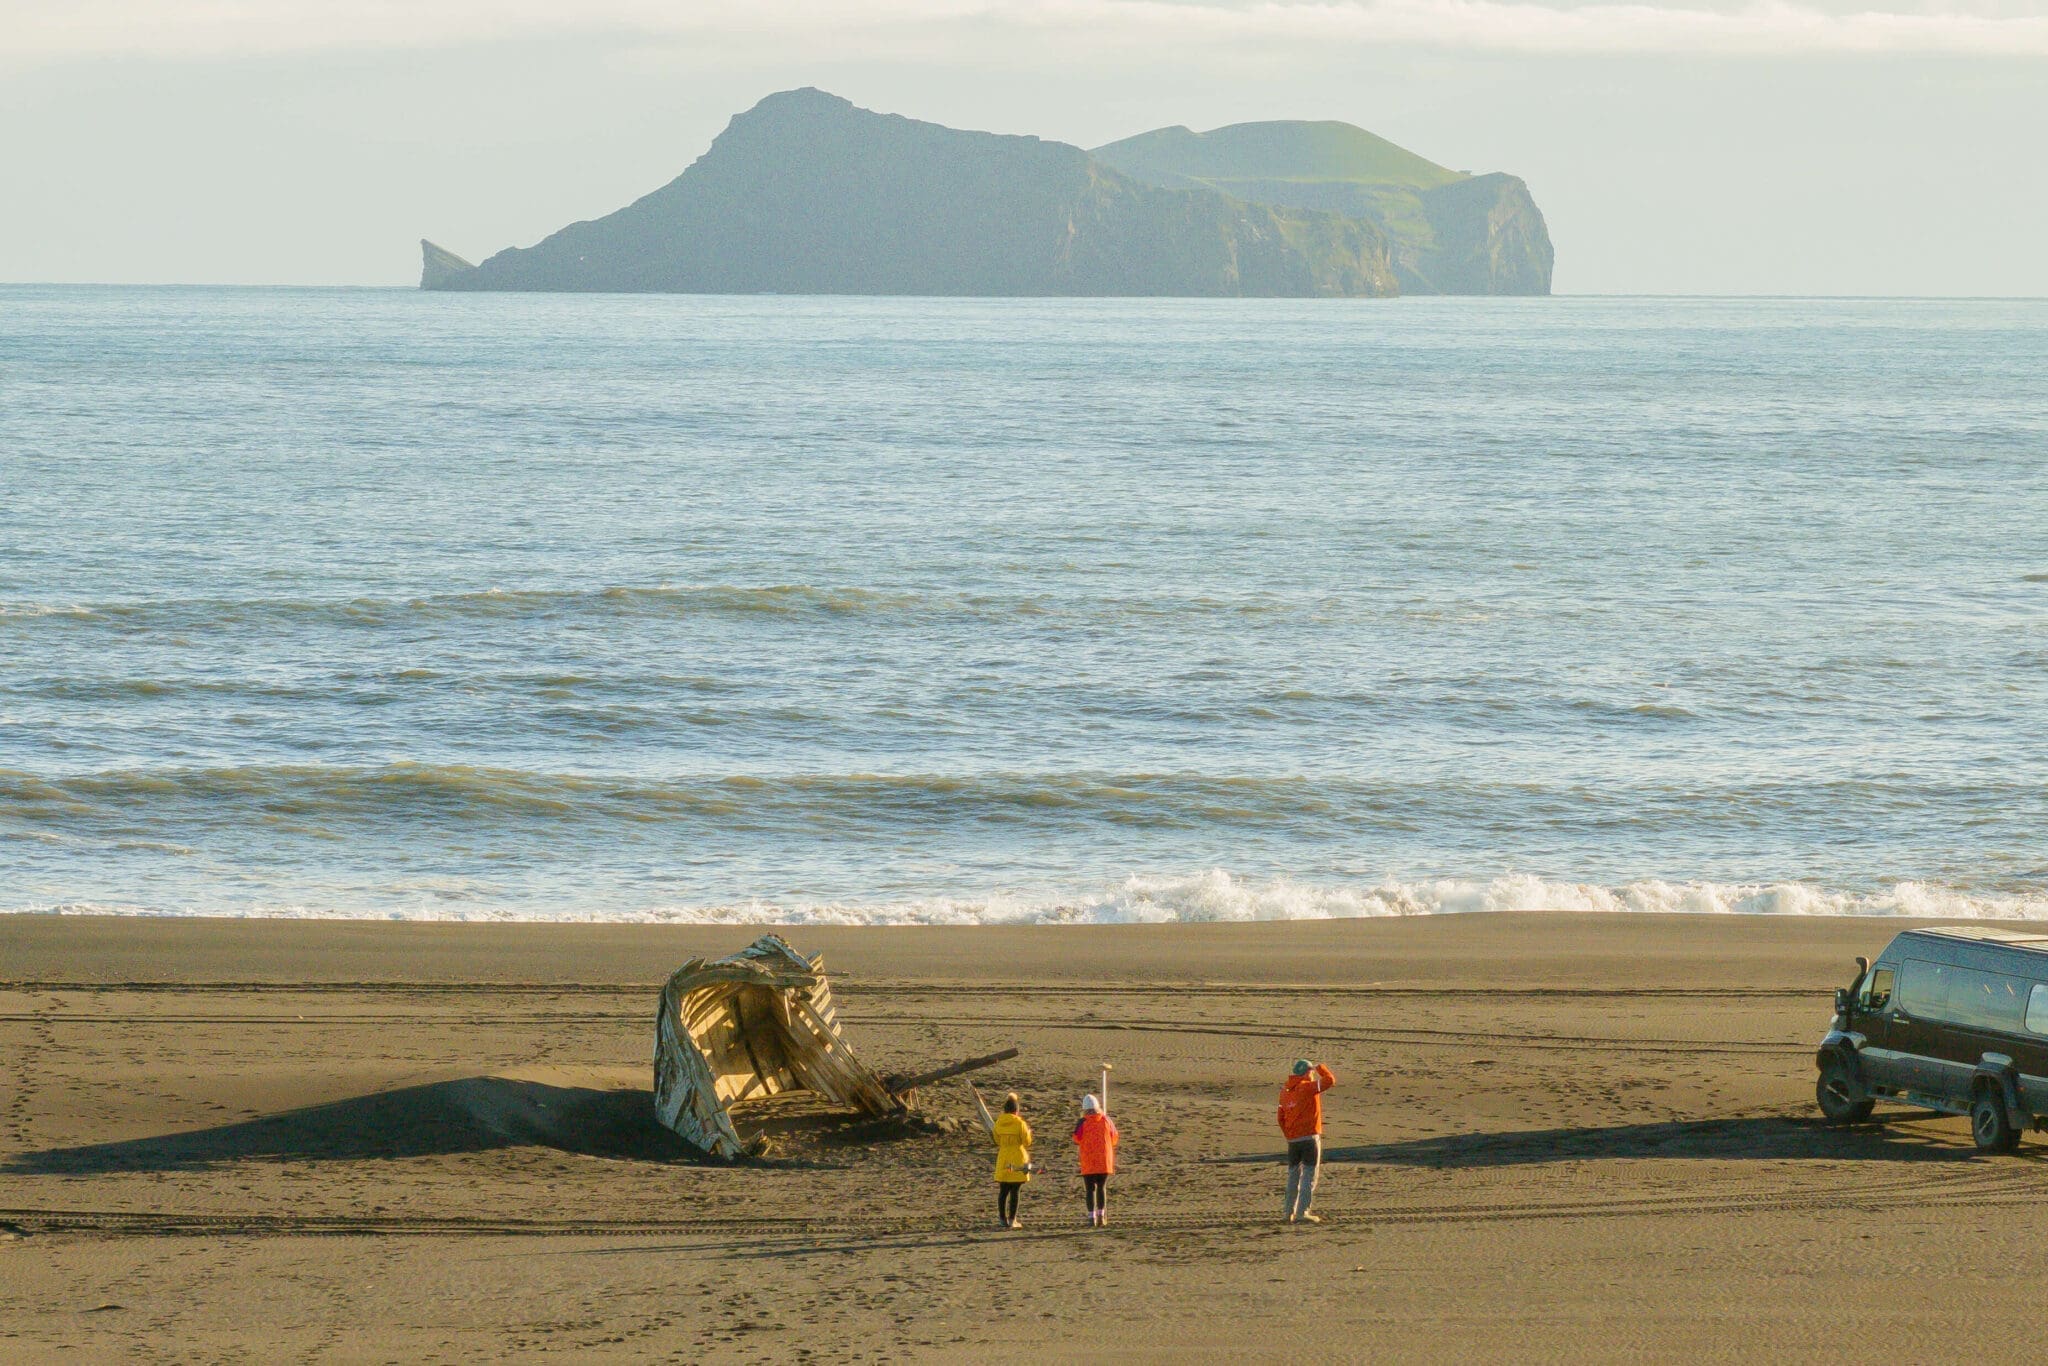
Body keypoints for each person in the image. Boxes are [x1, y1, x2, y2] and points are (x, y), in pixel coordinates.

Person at [1277, 1058, 1336, 1224]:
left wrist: (1289, 1135)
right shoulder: (1307, 1087)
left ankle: (1288, 1212)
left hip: (1293, 1140)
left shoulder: (1285, 1092)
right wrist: (1321, 1068)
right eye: (1311, 1072)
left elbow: (1280, 1117)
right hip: (1309, 1137)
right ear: (1306, 1073)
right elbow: (1330, 1080)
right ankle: (1302, 1212)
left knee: (1293, 1175)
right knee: (1309, 1175)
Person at [1071, 1093, 1119, 1227]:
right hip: (1104, 1160)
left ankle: (1091, 1217)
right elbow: (1115, 1137)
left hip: (1088, 1161)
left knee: (1090, 1189)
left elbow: (1076, 1138)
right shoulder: (1106, 1120)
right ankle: (1101, 1216)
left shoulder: (1082, 1122)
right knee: (1101, 1187)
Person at [992, 1092, 1033, 1229]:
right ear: (1016, 1110)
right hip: (1017, 1159)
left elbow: (996, 1140)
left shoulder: (999, 1122)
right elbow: (1026, 1142)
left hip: (1003, 1158)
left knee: (1003, 1191)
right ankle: (1012, 1220)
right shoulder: (1020, 1123)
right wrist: (1029, 1133)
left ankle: (1002, 1219)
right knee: (1015, 1191)